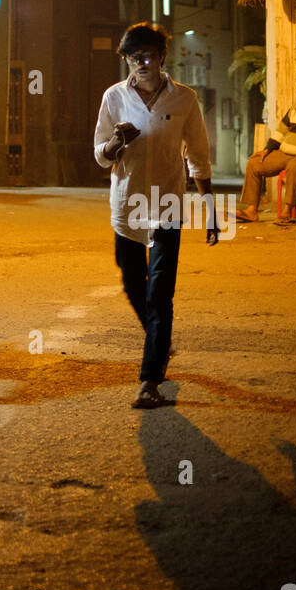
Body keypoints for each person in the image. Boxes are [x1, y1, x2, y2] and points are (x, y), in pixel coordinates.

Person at [93, 22, 217, 410]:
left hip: (167, 205)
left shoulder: (184, 99)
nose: (141, 63)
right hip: (126, 205)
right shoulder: (114, 97)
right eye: (133, 57)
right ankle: (158, 342)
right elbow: (99, 152)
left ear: (163, 56)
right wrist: (115, 142)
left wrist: (210, 210)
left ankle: (149, 379)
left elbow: (198, 154)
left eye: (147, 55)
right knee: (134, 286)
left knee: (160, 292)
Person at [237, 75, 296, 226]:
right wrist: (267, 149)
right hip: (284, 152)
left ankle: (287, 212)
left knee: (295, 165)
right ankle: (251, 211)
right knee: (255, 162)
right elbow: (282, 130)